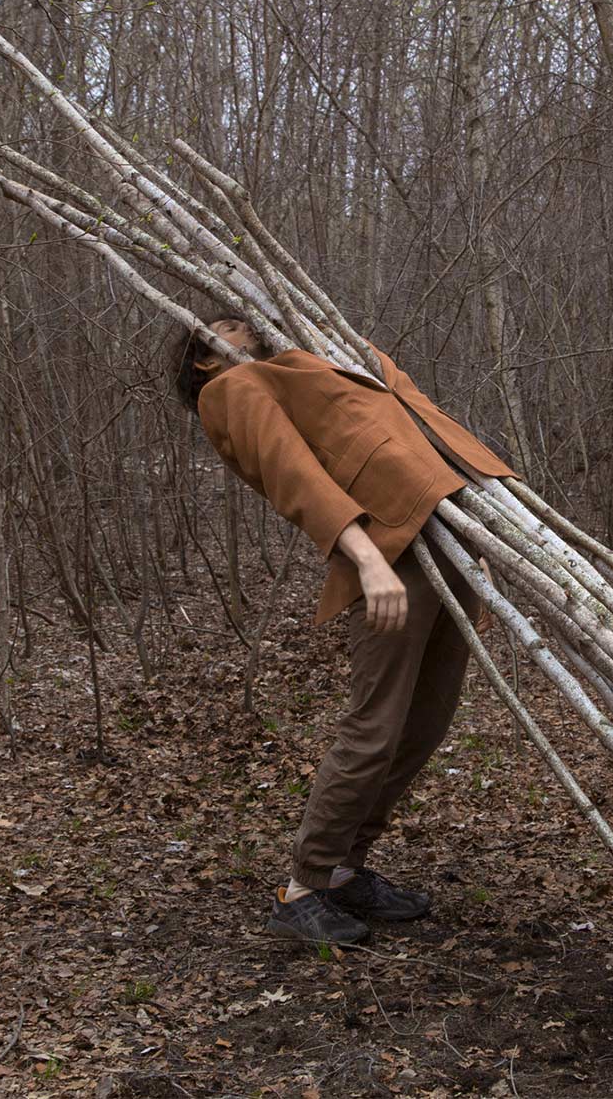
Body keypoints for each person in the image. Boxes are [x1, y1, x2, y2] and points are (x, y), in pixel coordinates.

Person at [169, 316, 516, 945]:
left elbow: (401, 411)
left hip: (438, 532)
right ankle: (303, 887)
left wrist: (473, 526)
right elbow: (292, 472)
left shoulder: (302, 360)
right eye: (225, 324)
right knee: (375, 727)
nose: (244, 321)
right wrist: (366, 558)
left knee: (426, 722)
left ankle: (344, 871)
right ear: (201, 358)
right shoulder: (233, 387)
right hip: (387, 548)